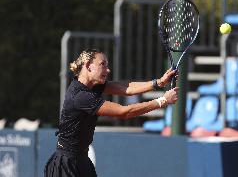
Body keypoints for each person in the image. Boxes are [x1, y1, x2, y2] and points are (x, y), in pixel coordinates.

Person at [44, 49, 179, 177]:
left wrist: (158, 83)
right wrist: (162, 101)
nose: (108, 70)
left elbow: (127, 88)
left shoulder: (93, 86)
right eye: (102, 64)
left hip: (81, 161)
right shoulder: (81, 96)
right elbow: (124, 112)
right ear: (88, 66)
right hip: (66, 165)